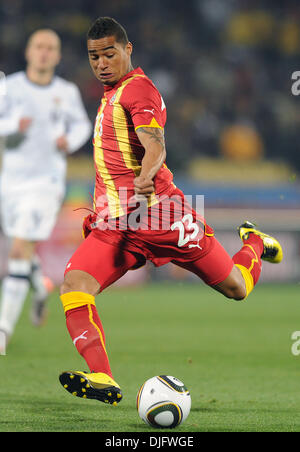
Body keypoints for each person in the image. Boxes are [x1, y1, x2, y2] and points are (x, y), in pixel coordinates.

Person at [58, 17, 282, 406]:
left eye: (110, 54)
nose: (101, 63)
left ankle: (255, 243)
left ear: (128, 50)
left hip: (162, 217)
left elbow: (155, 143)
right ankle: (102, 376)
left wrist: (147, 174)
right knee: (75, 285)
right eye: (94, 56)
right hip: (120, 225)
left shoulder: (138, 90)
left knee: (237, 288)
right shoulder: (111, 94)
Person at [0, 29, 92, 346]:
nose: (43, 52)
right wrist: (13, 126)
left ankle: (2, 332)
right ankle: (40, 286)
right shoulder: (8, 87)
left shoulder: (65, 92)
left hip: (46, 183)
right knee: (20, 248)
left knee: (17, 250)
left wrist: (72, 140)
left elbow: (83, 124)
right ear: (28, 51)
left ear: (57, 56)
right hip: (10, 181)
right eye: (38, 46)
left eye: (50, 48)